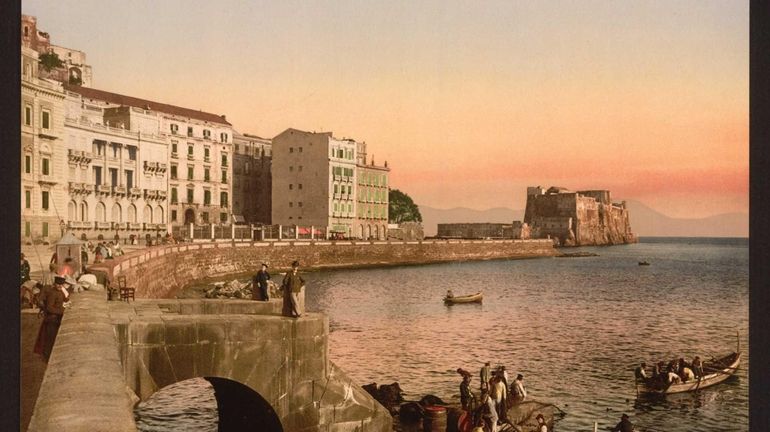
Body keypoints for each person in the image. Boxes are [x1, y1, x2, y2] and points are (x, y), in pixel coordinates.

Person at [33, 275, 71, 361]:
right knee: (50, 338)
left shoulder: (60, 291)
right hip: (52, 319)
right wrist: (62, 311)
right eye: (58, 284)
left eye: (61, 285)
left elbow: (64, 299)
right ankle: (47, 357)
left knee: (51, 338)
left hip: (56, 318)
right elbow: (49, 308)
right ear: (54, 284)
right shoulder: (53, 293)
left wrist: (67, 301)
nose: (59, 286)